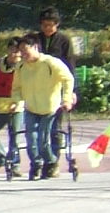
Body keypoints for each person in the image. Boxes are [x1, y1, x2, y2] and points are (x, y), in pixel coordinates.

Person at [13, 32, 76, 183]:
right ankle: (36, 164)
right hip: (30, 108)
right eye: (21, 52)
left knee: (43, 140)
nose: (23, 55)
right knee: (31, 139)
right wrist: (16, 101)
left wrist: (67, 99)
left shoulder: (50, 63)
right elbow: (15, 87)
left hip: (50, 108)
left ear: (35, 47)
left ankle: (51, 161)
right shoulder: (21, 66)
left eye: (25, 51)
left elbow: (68, 78)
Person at [0, 37, 24, 179]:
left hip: (16, 107)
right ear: (8, 50)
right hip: (0, 105)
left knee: (14, 137)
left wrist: (17, 102)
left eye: (18, 52)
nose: (15, 55)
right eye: (12, 51)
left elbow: (25, 87)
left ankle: (15, 165)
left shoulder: (23, 66)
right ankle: (0, 157)